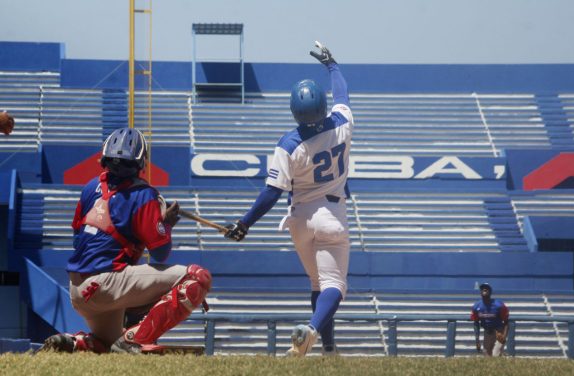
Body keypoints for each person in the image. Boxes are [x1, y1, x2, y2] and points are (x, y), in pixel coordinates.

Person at [224, 41, 353, 357]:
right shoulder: (343, 125)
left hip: (298, 217)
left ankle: (329, 348)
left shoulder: (288, 143)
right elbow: (343, 95)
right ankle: (311, 332)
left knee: (316, 284)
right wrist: (331, 64)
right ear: (322, 106)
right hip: (332, 211)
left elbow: (272, 191)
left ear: (294, 112)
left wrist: (245, 223)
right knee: (334, 285)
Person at [40, 127, 212, 354]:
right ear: (141, 163)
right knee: (197, 278)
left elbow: (77, 235)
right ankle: (135, 338)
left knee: (110, 347)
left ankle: (76, 343)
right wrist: (167, 223)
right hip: (106, 283)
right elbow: (160, 253)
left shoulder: (90, 187)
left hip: (77, 288)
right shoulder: (143, 194)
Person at [471, 282, 510, 356]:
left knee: (495, 355)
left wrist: (504, 336)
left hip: (498, 332)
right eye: (482, 288)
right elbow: (476, 323)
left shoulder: (499, 305)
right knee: (486, 356)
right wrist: (477, 339)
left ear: (490, 292)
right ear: (480, 292)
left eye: (487, 288)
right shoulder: (476, 306)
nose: (484, 289)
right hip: (487, 333)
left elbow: (506, 322)